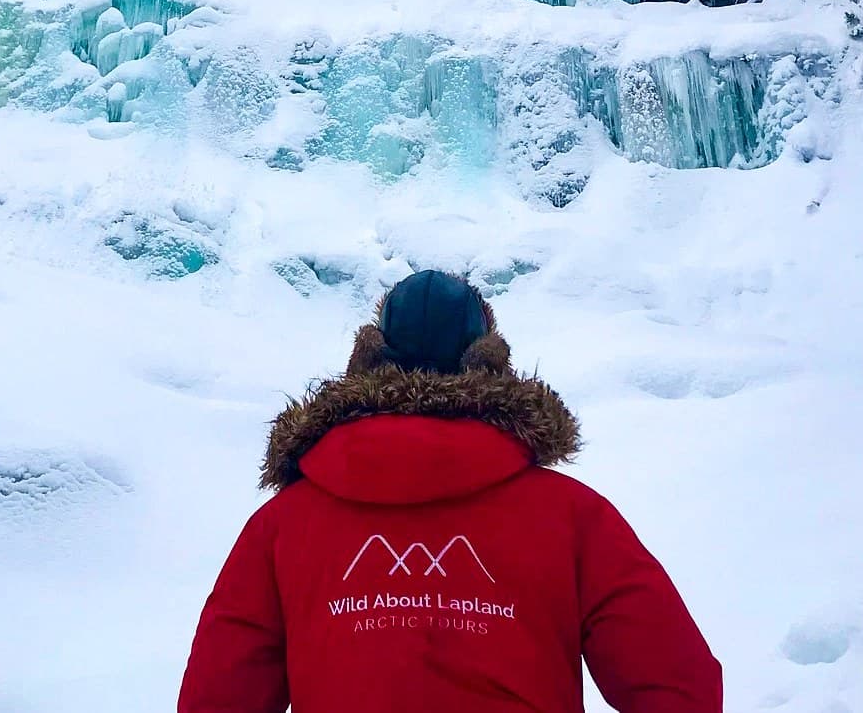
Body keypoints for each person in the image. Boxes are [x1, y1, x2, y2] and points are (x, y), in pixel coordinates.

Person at [177, 269, 722, 713]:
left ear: (370, 359)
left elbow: (216, 698)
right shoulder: (574, 515)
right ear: (487, 361)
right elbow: (681, 688)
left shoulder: (281, 526)